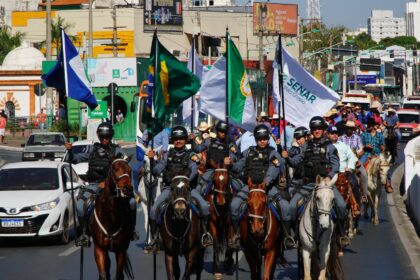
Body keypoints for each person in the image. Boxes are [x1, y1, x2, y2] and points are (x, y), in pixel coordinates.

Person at [65, 122, 139, 246]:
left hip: (113, 186)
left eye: (107, 137)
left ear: (111, 137)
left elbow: (124, 167)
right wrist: (70, 151)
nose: (105, 139)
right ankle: (84, 234)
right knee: (79, 205)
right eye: (102, 137)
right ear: (99, 137)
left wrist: (108, 182)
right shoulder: (92, 150)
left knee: (132, 203)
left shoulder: (117, 150)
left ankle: (131, 230)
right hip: (94, 185)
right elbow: (75, 159)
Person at [145, 126, 213, 251]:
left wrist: (182, 181)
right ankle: (154, 238)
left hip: (188, 189)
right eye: (176, 139)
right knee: (154, 209)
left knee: (204, 206)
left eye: (181, 138)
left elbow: (193, 172)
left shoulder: (191, 155)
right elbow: (156, 171)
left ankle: (205, 234)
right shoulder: (167, 156)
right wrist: (151, 160)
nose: (178, 141)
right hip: (170, 189)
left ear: (186, 140)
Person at [285, 116, 350, 247]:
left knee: (342, 206)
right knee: (291, 207)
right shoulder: (304, 147)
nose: (317, 131)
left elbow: (336, 165)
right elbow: (295, 161)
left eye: (319, 128)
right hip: (307, 184)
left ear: (323, 130)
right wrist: (287, 158)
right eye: (314, 129)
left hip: (325, 185)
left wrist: (329, 176)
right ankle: (293, 236)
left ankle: (341, 234)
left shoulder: (330, 147)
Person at [228, 124, 295, 249]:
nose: (262, 141)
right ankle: (237, 235)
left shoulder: (273, 153)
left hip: (267, 188)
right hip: (250, 187)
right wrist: (231, 164)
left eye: (264, 138)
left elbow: (273, 170)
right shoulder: (248, 152)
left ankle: (287, 236)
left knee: (285, 207)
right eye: (260, 139)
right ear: (256, 139)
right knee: (234, 205)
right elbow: (238, 167)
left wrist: (265, 183)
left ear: (268, 139)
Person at [327, 126, 361, 205]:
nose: (334, 135)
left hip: (344, 172)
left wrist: (350, 167)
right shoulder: (326, 146)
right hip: (330, 174)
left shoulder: (343, 145)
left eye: (336, 133)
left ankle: (357, 206)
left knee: (355, 183)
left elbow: (352, 156)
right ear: (328, 134)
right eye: (332, 133)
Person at [339, 121, 368, 202]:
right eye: (347, 128)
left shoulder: (357, 138)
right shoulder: (341, 138)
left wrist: (358, 158)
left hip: (355, 161)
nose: (349, 130)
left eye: (351, 128)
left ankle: (364, 195)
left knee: (364, 175)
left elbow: (361, 150)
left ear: (353, 129)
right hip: (344, 162)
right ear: (345, 128)